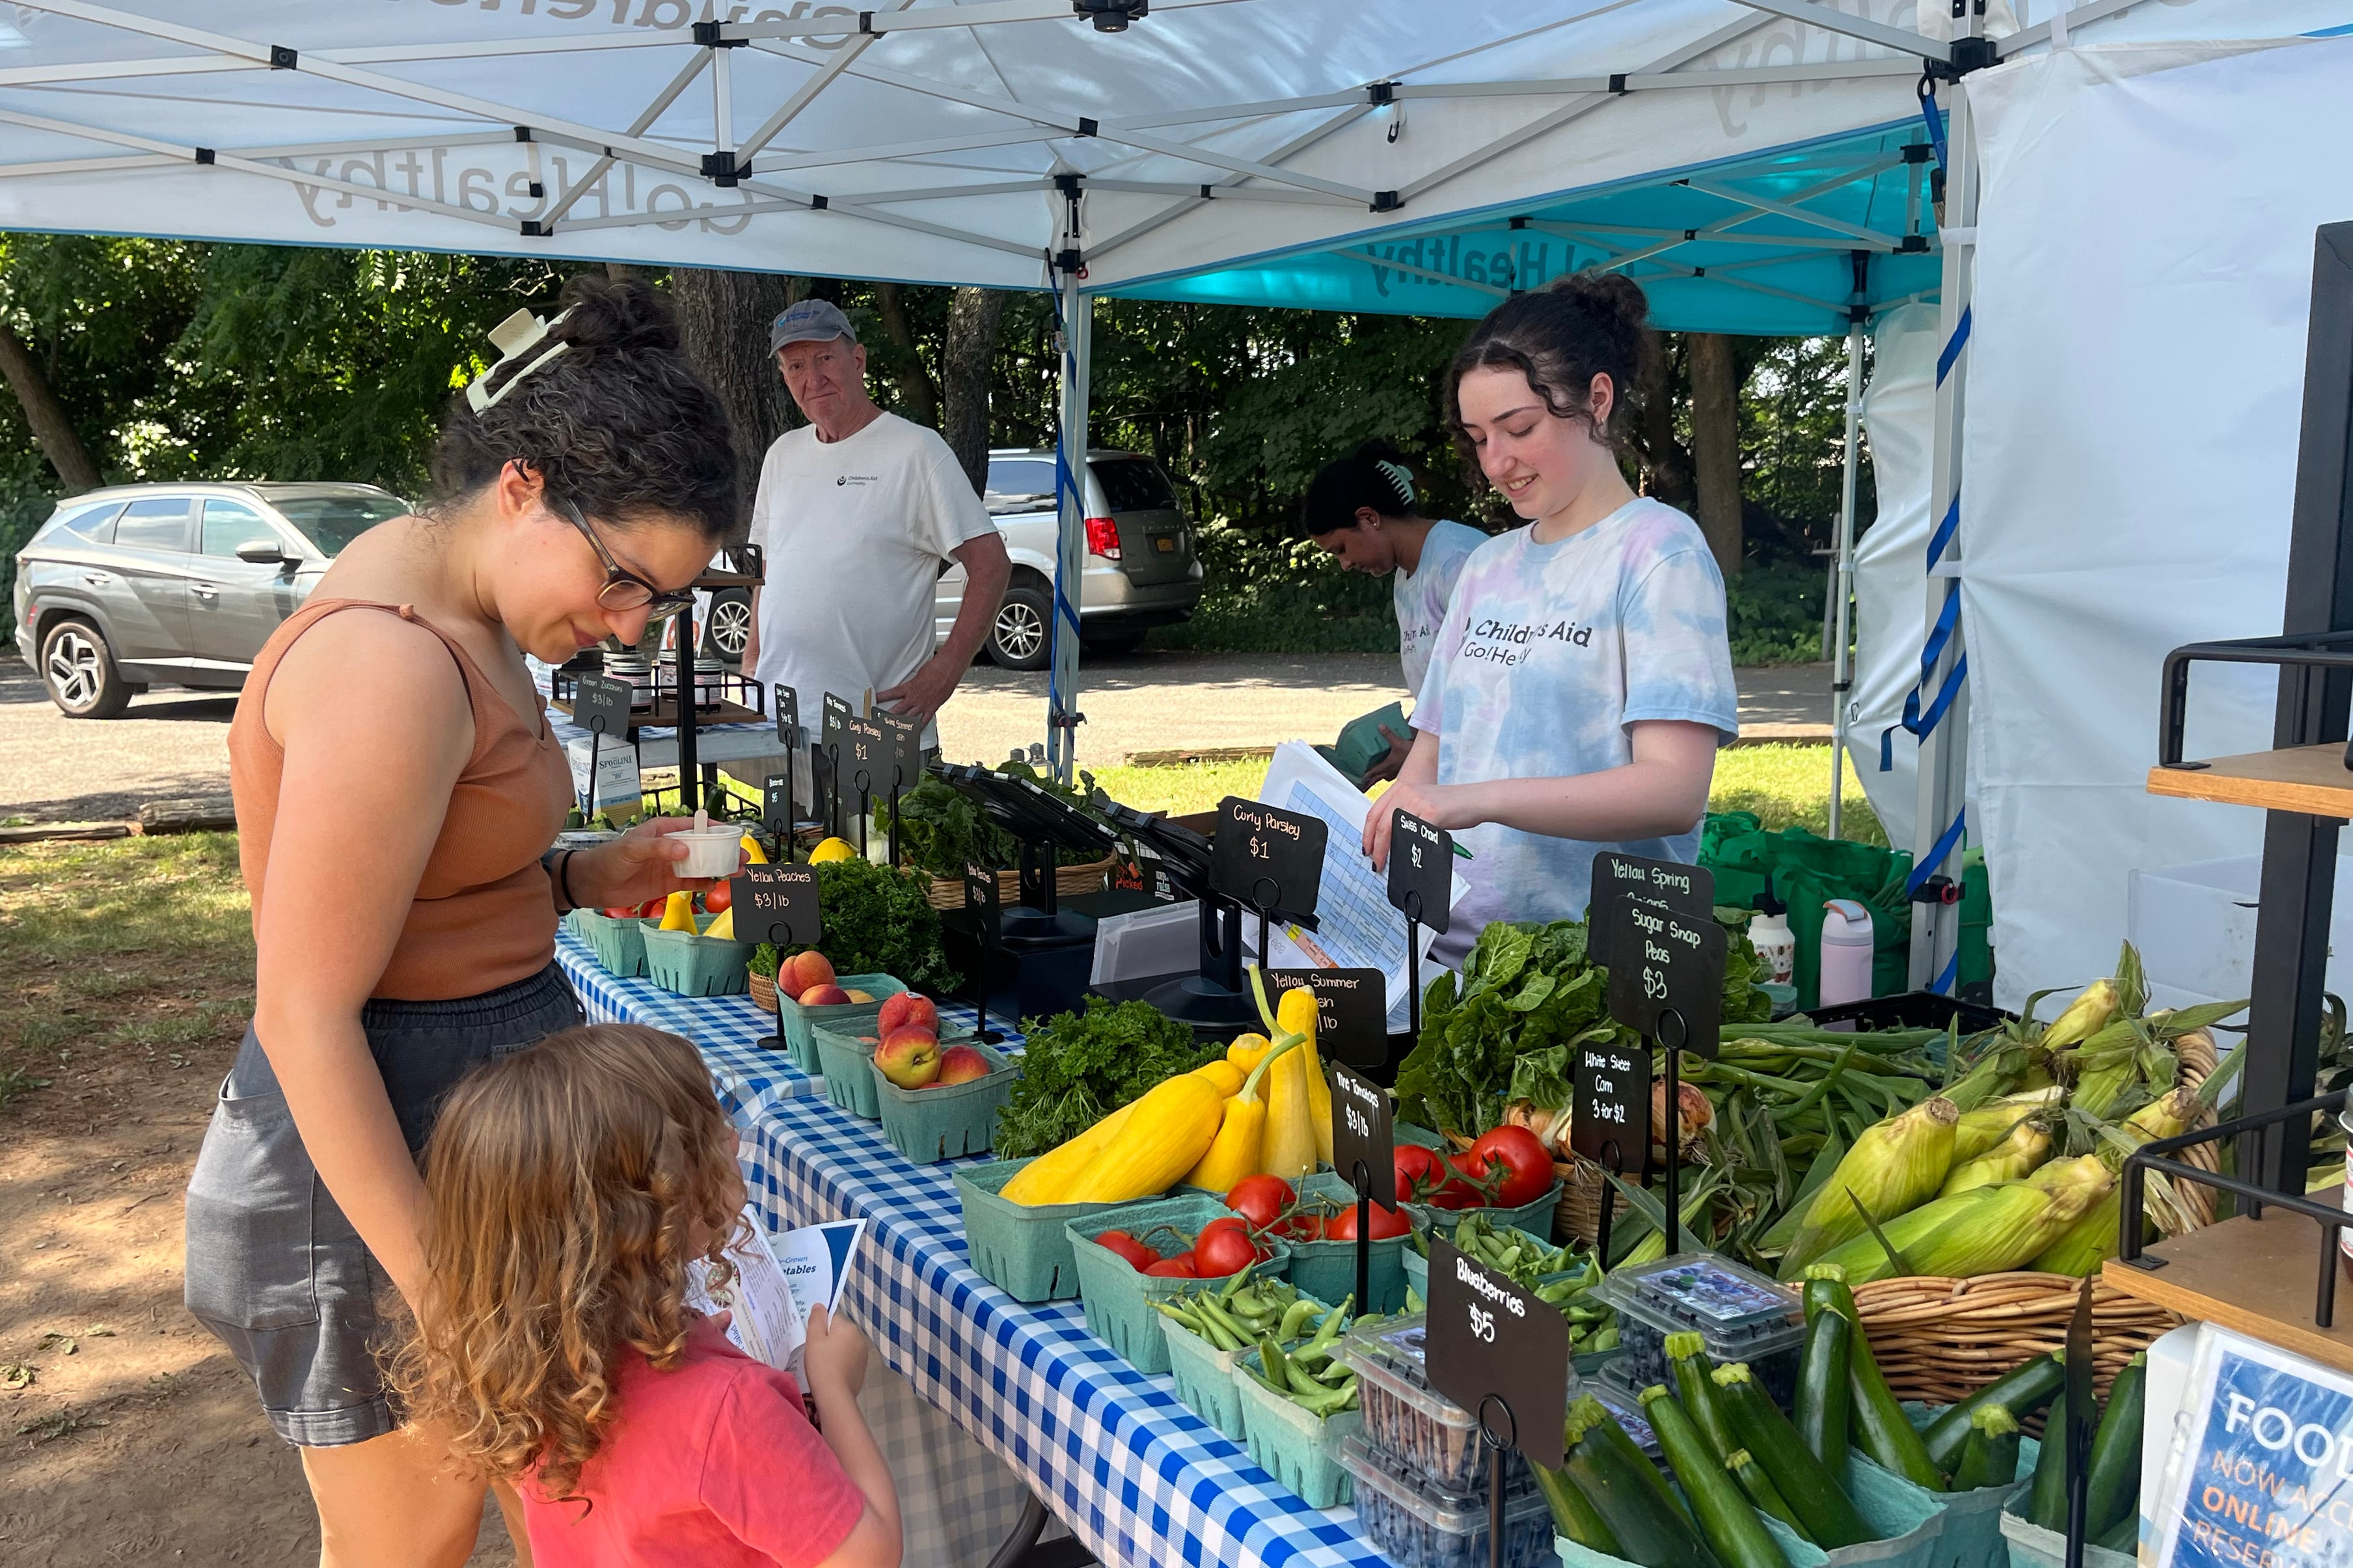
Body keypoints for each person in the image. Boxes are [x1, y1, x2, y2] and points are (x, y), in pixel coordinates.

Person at [186, 275, 746, 1567]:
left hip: (452, 1135)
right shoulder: (390, 662)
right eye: (621, 583)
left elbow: (420, 882)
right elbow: (305, 1006)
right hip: (376, 1163)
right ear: (523, 484)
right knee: (409, 1550)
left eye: (653, 600)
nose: (625, 625)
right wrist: (452, 1297)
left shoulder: (461, 601)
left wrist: (570, 878)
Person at [390, 1024, 902, 1568]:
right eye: (706, 1134)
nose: (733, 1140)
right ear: (649, 1209)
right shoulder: (730, 1410)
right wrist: (834, 1387)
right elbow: (868, 1555)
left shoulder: (528, 1372)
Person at [1363, 273, 1738, 964]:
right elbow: (1430, 759)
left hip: (1588, 970)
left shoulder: (1657, 552)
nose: (1497, 463)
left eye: (1520, 428)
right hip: (1450, 962)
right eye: (1478, 437)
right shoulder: (1486, 567)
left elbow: (1673, 791)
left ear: (1596, 399)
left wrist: (1473, 801)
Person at [740, 299, 1012, 746]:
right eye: (795, 366)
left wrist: (945, 672)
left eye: (825, 358)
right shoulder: (782, 455)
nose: (813, 379)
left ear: (859, 359)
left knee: (885, 820)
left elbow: (991, 565)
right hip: (782, 724)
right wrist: (751, 661)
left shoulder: (917, 451)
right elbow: (768, 569)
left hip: (879, 728)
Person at [1297, 439, 1486, 783]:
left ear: (1369, 518)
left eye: (1341, 548)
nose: (1345, 564)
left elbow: (1490, 689)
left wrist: (1421, 754)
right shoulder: (1404, 577)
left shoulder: (1459, 561)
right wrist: (1403, 743)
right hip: (1452, 768)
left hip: (1488, 773)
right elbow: (1438, 688)